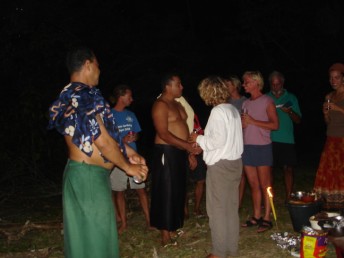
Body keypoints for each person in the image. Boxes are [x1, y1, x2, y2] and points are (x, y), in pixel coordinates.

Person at [47, 46, 148, 258]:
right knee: (97, 243)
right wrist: (129, 167)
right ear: (88, 64)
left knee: (83, 243)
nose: (100, 70)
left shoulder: (69, 94)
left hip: (81, 175)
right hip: (89, 178)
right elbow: (101, 140)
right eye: (98, 65)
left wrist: (128, 151)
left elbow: (92, 133)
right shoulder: (84, 94)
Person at [189, 76, 243, 258]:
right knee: (230, 208)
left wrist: (198, 139)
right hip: (235, 163)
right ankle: (231, 250)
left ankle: (219, 252)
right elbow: (226, 139)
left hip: (221, 166)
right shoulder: (232, 110)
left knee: (217, 210)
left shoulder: (218, 112)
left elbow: (217, 140)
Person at [150, 72, 200, 247]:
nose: (182, 87)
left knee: (178, 189)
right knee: (166, 190)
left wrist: (189, 153)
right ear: (168, 86)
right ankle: (165, 234)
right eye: (178, 84)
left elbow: (184, 130)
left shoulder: (178, 104)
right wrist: (187, 147)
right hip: (166, 151)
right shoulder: (160, 105)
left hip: (180, 152)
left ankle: (172, 226)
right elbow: (164, 133)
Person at [109, 84, 151, 234]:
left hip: (134, 158)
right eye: (129, 96)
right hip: (117, 159)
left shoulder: (131, 115)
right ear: (121, 96)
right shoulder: (109, 115)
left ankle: (149, 221)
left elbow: (137, 133)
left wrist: (134, 137)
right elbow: (107, 140)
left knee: (141, 190)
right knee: (119, 191)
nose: (132, 99)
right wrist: (123, 140)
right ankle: (124, 223)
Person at [240, 71, 279, 233]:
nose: (244, 85)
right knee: (253, 184)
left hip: (262, 147)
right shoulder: (245, 104)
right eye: (244, 82)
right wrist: (242, 125)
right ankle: (256, 215)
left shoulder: (267, 101)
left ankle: (267, 218)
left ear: (257, 83)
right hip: (247, 147)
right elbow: (244, 125)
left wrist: (253, 121)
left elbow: (275, 125)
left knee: (265, 185)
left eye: (247, 82)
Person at [266, 71, 301, 203]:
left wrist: (290, 111)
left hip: (286, 139)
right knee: (268, 169)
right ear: (269, 84)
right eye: (273, 84)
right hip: (269, 139)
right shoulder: (266, 98)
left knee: (288, 169)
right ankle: (269, 198)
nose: (275, 87)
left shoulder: (291, 97)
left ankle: (288, 197)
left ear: (282, 83)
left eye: (278, 84)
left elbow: (298, 120)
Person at [314, 63, 344, 210]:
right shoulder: (329, 96)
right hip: (331, 138)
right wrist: (326, 114)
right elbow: (328, 122)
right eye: (331, 78)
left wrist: (337, 108)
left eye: (337, 78)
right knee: (330, 172)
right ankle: (331, 206)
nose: (334, 81)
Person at [176, 96, 207, 218]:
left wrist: (200, 150)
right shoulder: (179, 119)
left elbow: (200, 133)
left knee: (200, 180)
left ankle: (197, 208)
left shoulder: (194, 116)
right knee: (184, 182)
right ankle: (185, 211)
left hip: (198, 151)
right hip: (184, 152)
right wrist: (189, 154)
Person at [224, 75, 247, 208]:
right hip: (227, 142)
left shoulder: (245, 102)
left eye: (228, 84)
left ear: (236, 85)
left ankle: (238, 203)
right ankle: (228, 201)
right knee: (228, 173)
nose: (226, 87)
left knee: (241, 173)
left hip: (241, 141)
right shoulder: (224, 102)